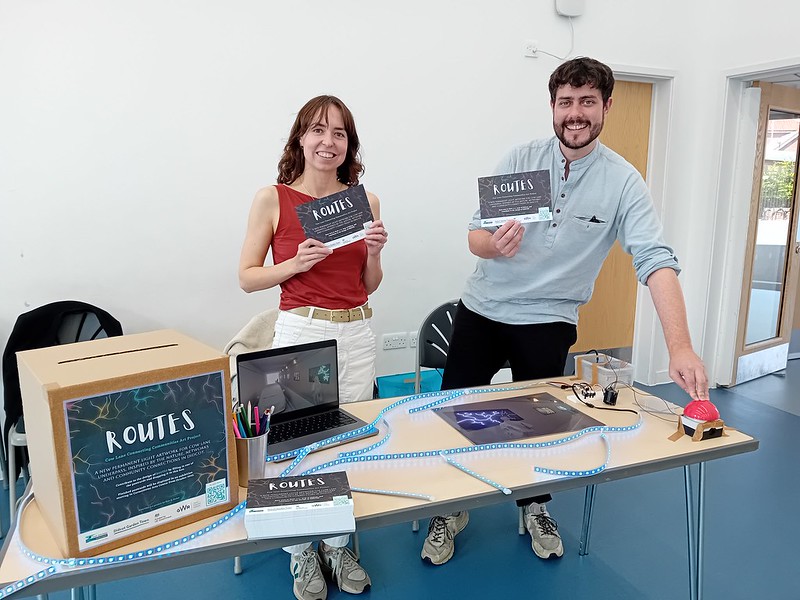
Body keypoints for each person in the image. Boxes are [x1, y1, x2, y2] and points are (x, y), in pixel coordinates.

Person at [420, 57, 709, 567]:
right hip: (483, 309)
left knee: (539, 426)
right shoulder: (520, 159)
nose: (575, 114)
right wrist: (494, 246)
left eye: (587, 103)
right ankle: (452, 508)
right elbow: (474, 237)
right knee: (458, 415)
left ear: (606, 107)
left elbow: (655, 260)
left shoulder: (623, 182)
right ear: (553, 107)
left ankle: (533, 506)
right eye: (566, 103)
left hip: (550, 319)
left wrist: (680, 346)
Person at [239, 95, 387, 600]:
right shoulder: (273, 198)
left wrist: (372, 252)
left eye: (340, 134)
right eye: (320, 131)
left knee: (345, 442)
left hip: (357, 331)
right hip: (301, 331)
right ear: (301, 137)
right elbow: (247, 277)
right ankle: (301, 548)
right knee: (293, 445)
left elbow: (368, 285)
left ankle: (337, 541)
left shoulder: (362, 202)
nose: (329, 142)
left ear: (350, 145)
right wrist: (293, 266)